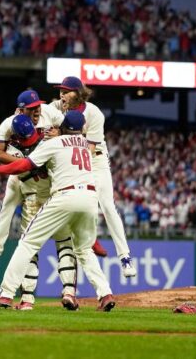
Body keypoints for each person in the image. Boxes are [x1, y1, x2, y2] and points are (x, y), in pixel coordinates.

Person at [0, 111, 116, 312]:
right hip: (90, 199)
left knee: (28, 243)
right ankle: (105, 294)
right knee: (83, 250)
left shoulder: (55, 143)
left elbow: (23, 165)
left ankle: (6, 294)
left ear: (63, 126)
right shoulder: (84, 144)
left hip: (65, 196)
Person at [51, 76, 137, 277]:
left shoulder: (94, 113)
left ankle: (125, 257)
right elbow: (36, 114)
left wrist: (60, 136)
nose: (62, 94)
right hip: (71, 158)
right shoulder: (55, 107)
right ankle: (91, 240)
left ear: (78, 93)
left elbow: (88, 149)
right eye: (60, 90)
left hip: (94, 160)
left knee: (107, 205)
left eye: (67, 91)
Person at [0, 90, 66, 270]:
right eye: (32, 108)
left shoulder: (48, 112)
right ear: (20, 110)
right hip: (20, 173)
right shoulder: (9, 124)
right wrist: (26, 163)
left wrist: (60, 133)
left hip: (42, 179)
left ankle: (34, 270)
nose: (37, 111)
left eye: (38, 106)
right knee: (7, 205)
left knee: (32, 222)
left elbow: (72, 128)